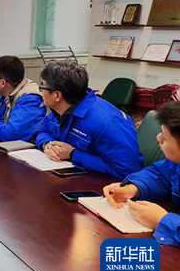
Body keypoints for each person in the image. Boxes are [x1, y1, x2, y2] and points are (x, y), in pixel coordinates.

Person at [36, 60, 142, 179]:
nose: (41, 92)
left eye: (42, 87)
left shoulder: (108, 123)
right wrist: (47, 144)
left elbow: (126, 172)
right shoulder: (59, 109)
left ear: (57, 95)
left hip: (101, 185)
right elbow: (43, 131)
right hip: (69, 176)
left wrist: (73, 154)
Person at [103, 101, 180, 246]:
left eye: (164, 137)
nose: (158, 138)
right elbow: (160, 175)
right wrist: (135, 187)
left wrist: (162, 221)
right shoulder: (175, 162)